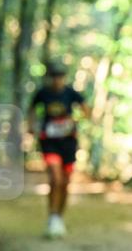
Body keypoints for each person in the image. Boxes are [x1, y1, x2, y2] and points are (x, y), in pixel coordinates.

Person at [28, 62, 90, 238]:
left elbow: (86, 110)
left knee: (65, 182)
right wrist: (31, 126)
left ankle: (59, 217)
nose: (57, 80)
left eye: (60, 76)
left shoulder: (71, 93)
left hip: (68, 142)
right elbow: (31, 109)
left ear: (64, 77)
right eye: (54, 76)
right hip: (49, 142)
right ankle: (52, 216)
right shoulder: (43, 93)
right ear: (50, 78)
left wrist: (75, 120)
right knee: (55, 178)